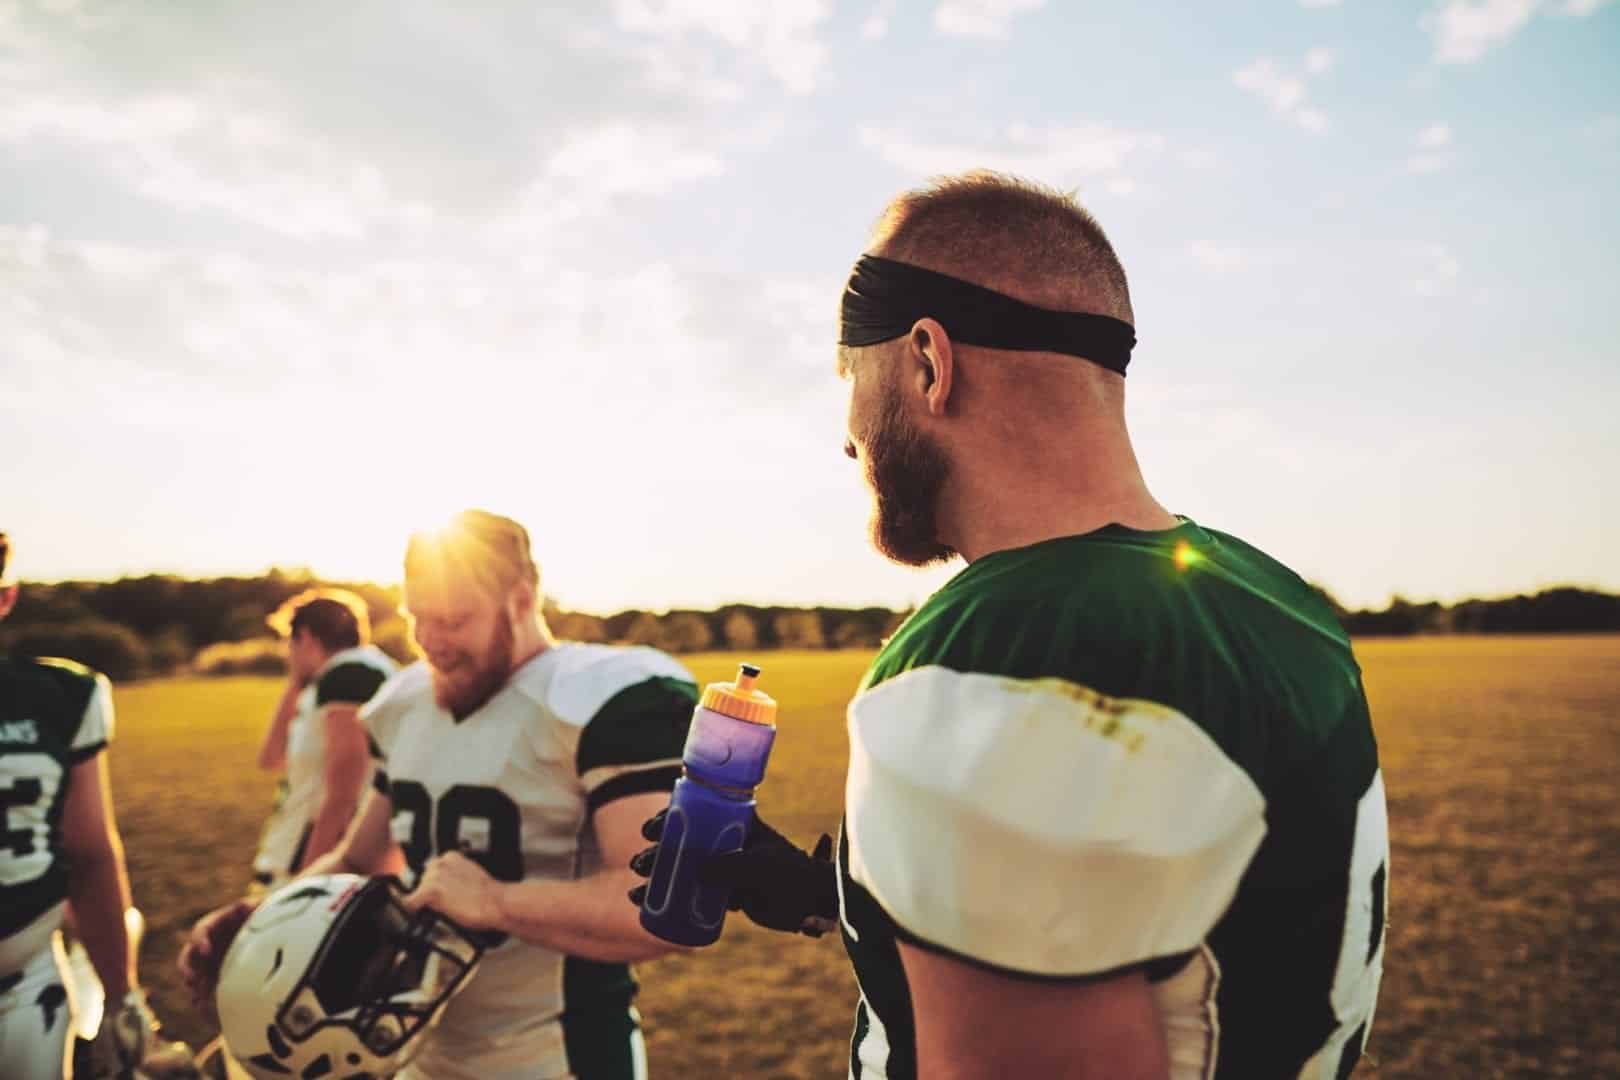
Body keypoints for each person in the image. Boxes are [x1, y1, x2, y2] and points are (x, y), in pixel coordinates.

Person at [631, 171, 1389, 1079]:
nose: (845, 436)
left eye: (852, 379)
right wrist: (829, 893)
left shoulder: (1002, 654)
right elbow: (1155, 921)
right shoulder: (1270, 597)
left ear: (927, 362)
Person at [181, 510, 697, 1080]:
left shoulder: (599, 700)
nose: (431, 642)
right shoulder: (403, 704)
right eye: (417, 618)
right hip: (416, 1053)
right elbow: (359, 858)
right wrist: (265, 919)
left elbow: (665, 910)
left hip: (560, 1058)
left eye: (454, 620)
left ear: (522, 600)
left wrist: (498, 901)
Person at [0, 532, 193, 1078]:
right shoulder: (55, 695)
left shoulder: (63, 695)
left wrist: (120, 992)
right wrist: (120, 994)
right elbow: (89, 854)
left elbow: (89, 853)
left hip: (29, 983)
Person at [250, 588, 396, 892]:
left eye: (289, 642)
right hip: (302, 857)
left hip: (310, 862)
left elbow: (344, 791)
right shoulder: (331, 679)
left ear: (305, 637)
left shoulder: (350, 675)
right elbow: (270, 758)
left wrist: (305, 885)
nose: (286, 652)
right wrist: (296, 682)